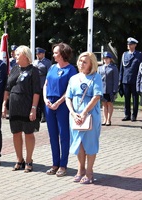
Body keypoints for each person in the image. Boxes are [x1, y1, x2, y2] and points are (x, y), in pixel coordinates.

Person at [65, 52, 103, 184]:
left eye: (85, 62)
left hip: (91, 115)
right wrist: (73, 113)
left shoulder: (95, 77)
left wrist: (85, 112)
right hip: (75, 116)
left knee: (90, 144)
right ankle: (80, 169)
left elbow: (96, 96)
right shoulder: (74, 78)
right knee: (78, 143)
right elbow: (68, 97)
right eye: (80, 60)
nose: (81, 63)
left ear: (91, 64)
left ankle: (89, 171)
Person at [2, 45, 40, 173]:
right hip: (14, 106)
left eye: (17, 54)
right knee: (16, 133)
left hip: (27, 106)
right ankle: (19, 160)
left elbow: (36, 91)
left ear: (25, 55)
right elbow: (7, 88)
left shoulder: (33, 70)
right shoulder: (14, 69)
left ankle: (29, 160)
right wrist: (4, 104)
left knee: (28, 133)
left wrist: (33, 108)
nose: (15, 56)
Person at [43, 43, 77, 177]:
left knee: (63, 135)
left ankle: (63, 165)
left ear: (63, 54)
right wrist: (45, 99)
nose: (53, 55)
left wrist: (58, 102)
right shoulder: (51, 67)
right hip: (49, 104)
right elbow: (45, 84)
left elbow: (70, 90)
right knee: (52, 135)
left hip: (62, 105)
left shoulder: (71, 70)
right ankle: (54, 164)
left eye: (56, 52)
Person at [119, 37, 142, 122]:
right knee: (126, 98)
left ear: (135, 45)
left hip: (135, 80)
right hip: (125, 80)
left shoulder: (139, 55)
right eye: (128, 44)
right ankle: (127, 114)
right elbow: (122, 68)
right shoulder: (124, 54)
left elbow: (141, 68)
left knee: (135, 98)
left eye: (131, 44)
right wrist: (120, 80)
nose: (128, 45)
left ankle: (134, 115)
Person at [97, 52, 119, 126]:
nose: (106, 60)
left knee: (109, 104)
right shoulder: (100, 68)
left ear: (110, 59)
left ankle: (109, 120)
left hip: (110, 89)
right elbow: (98, 79)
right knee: (104, 104)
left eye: (107, 58)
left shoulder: (113, 68)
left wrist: (115, 89)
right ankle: (104, 119)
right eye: (104, 58)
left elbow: (116, 80)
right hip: (102, 89)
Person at [33, 47, 52, 123]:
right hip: (35, 82)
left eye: (39, 54)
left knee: (42, 100)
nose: (38, 55)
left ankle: (44, 116)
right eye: (37, 54)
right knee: (36, 100)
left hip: (42, 82)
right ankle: (37, 115)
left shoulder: (47, 62)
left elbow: (49, 74)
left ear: (43, 54)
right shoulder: (34, 62)